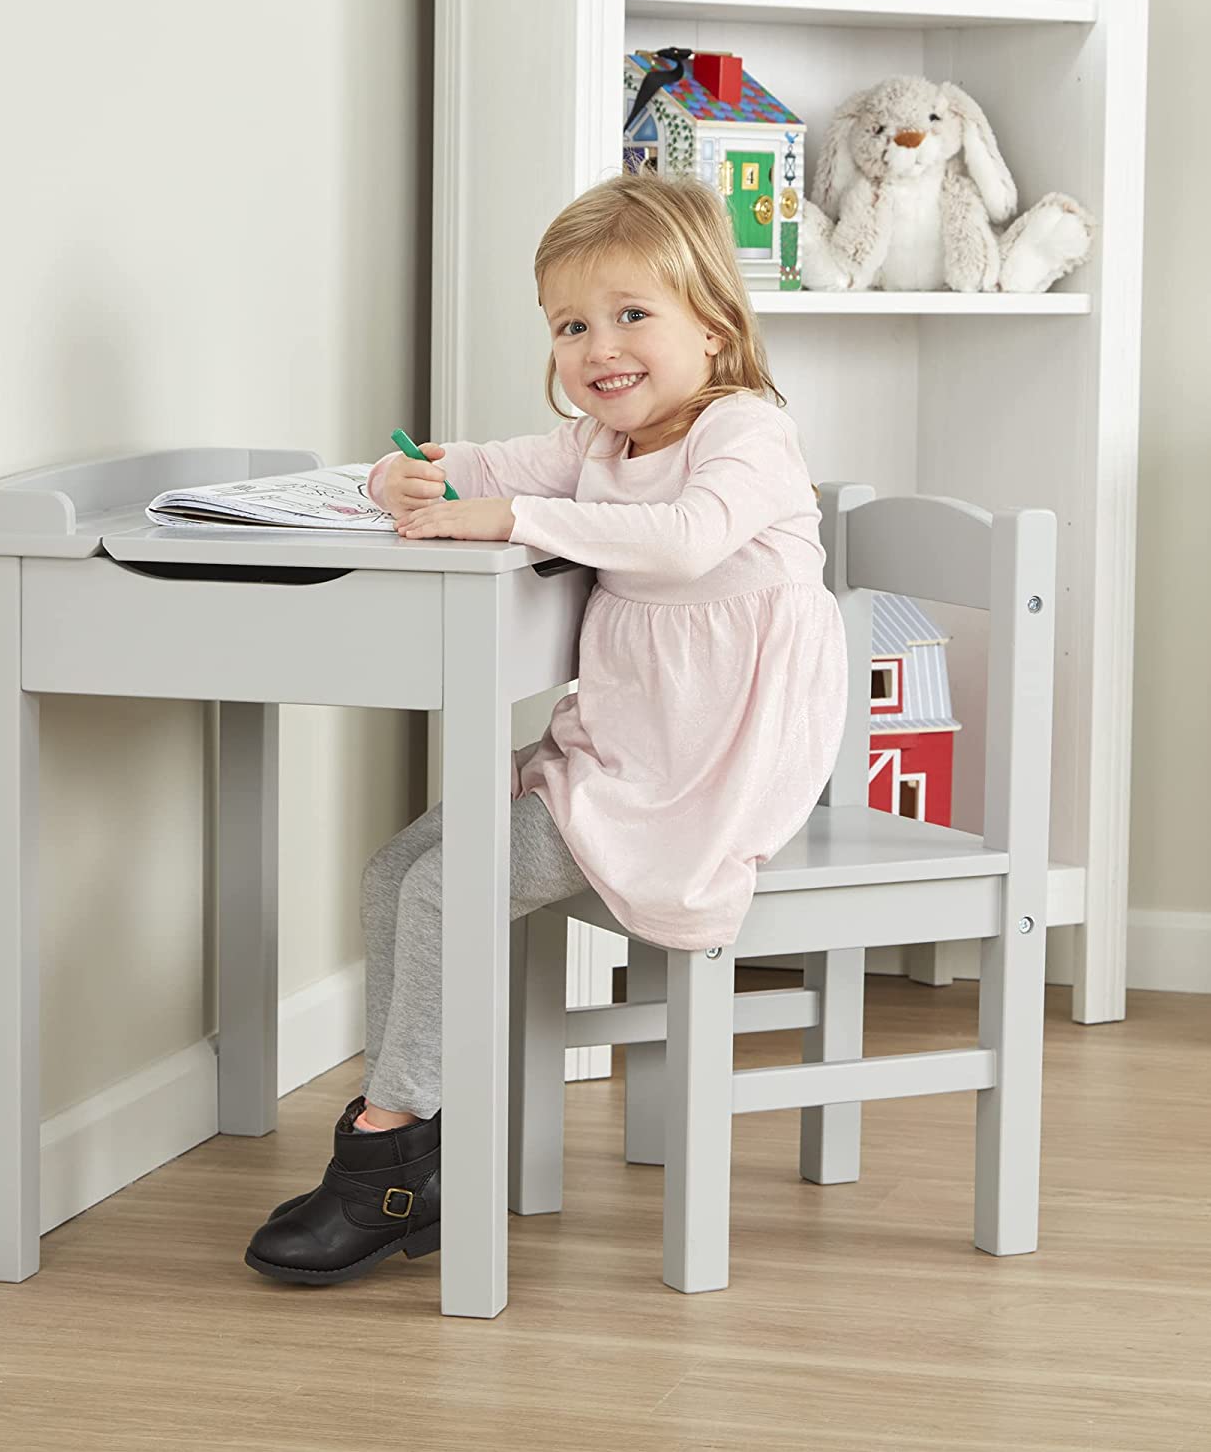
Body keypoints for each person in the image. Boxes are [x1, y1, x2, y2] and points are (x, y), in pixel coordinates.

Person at [244, 169, 848, 1286]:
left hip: (703, 770)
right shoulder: (598, 445)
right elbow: (467, 464)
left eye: (632, 315)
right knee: (396, 870)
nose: (598, 348)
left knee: (445, 887)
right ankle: (409, 1136)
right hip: (624, 747)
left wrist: (512, 517)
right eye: (571, 326)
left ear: (713, 329)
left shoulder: (747, 433)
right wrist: (400, 477)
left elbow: (684, 538)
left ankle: (385, 1156)